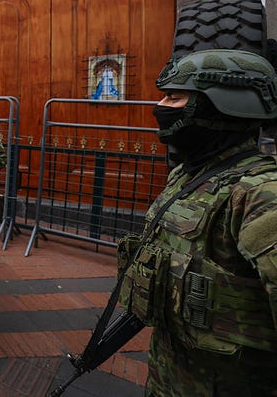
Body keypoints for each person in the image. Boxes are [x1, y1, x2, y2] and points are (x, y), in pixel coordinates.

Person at [118, 49, 277, 395]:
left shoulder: (261, 194)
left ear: (220, 105)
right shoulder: (190, 175)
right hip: (170, 376)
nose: (159, 107)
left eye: (173, 97)